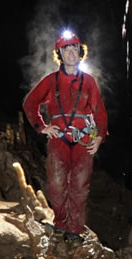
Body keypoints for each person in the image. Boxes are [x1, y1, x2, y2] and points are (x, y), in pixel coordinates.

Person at [23, 27, 108, 236]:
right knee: (56, 185)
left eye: (74, 49)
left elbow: (100, 113)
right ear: (59, 55)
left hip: (83, 140)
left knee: (79, 187)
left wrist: (99, 137)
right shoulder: (51, 81)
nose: (71, 54)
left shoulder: (88, 82)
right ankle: (60, 223)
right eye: (65, 50)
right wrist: (41, 126)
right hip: (59, 139)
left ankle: (75, 231)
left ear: (80, 53)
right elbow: (30, 103)